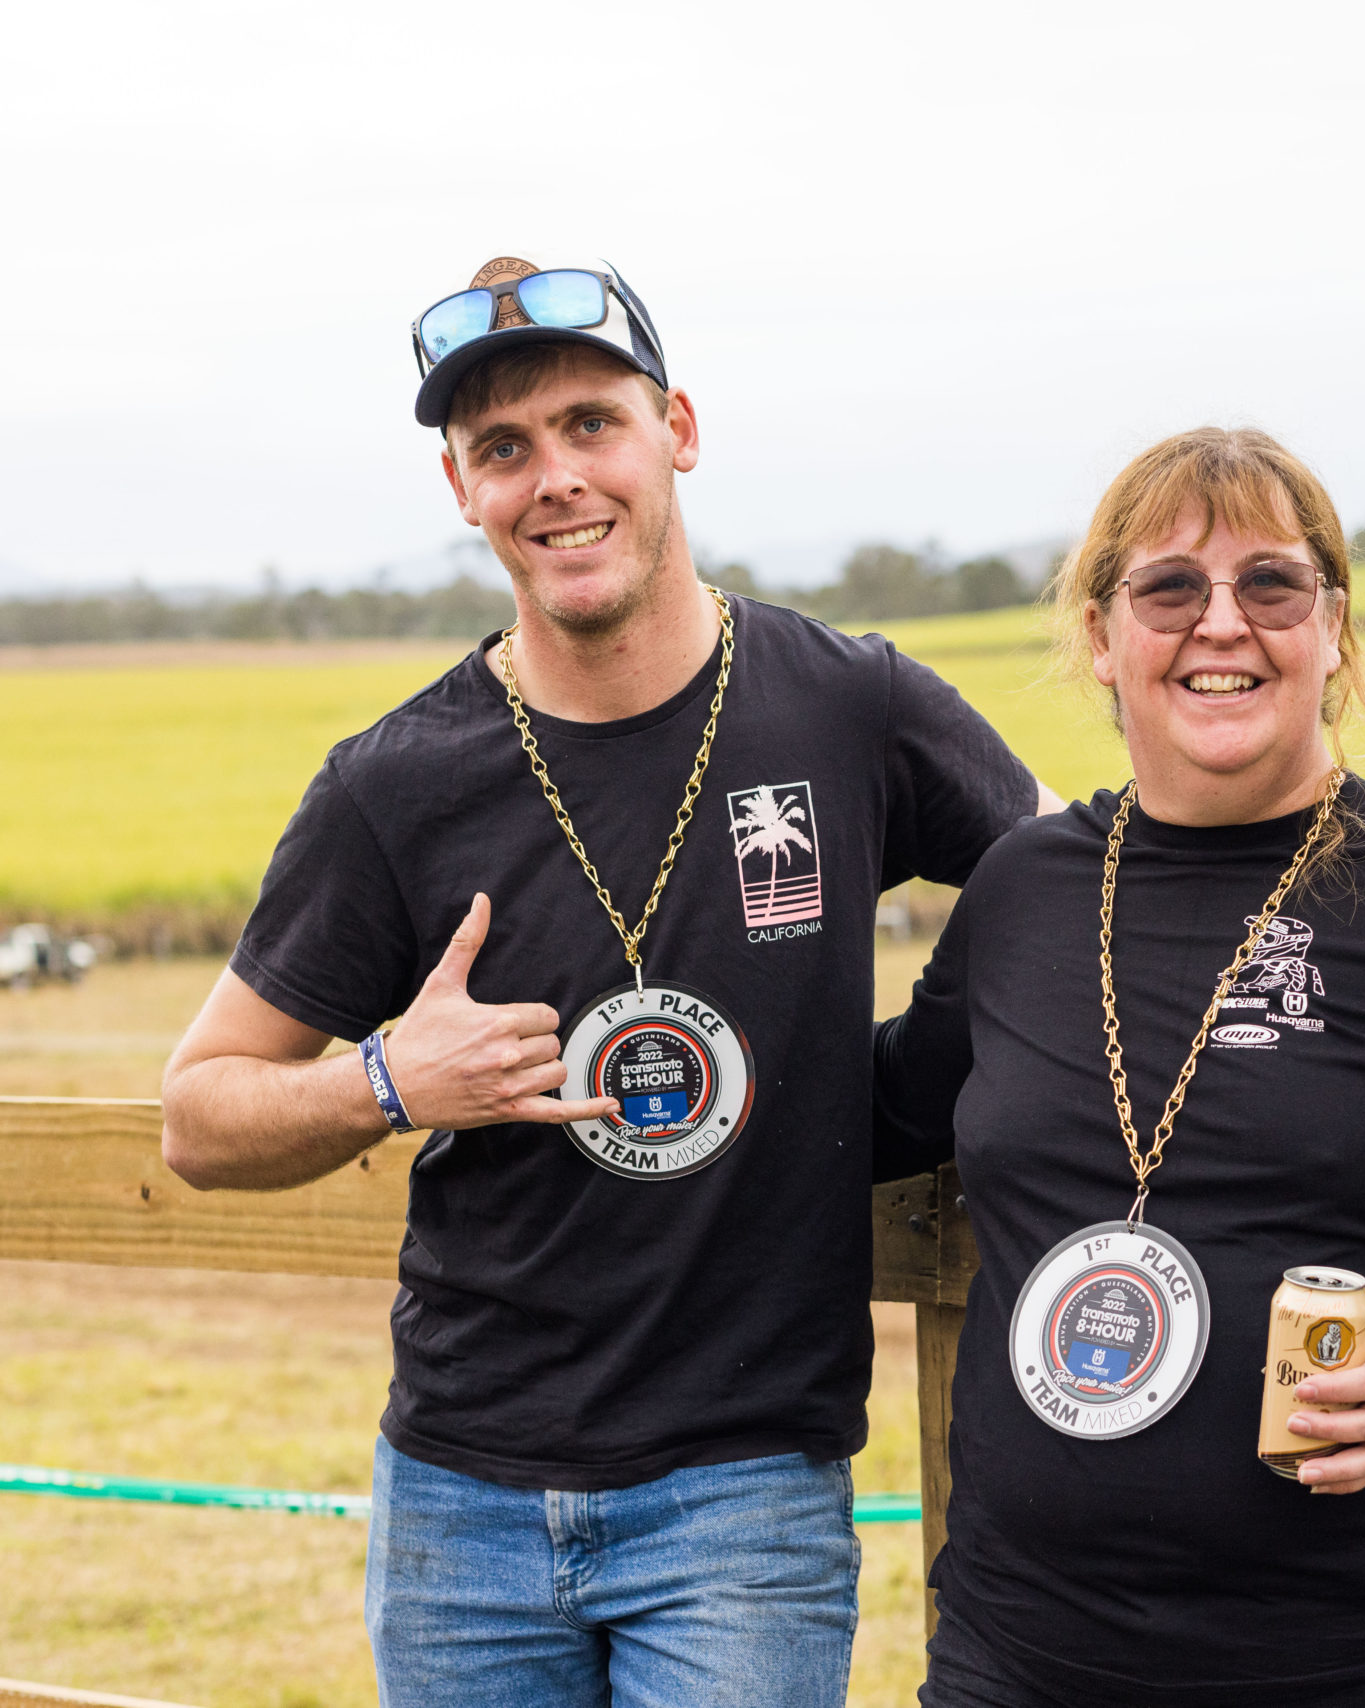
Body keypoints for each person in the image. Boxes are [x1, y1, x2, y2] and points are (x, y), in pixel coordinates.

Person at [160, 254, 1048, 1707]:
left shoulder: (847, 704)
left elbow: (1068, 880)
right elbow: (199, 1114)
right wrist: (388, 1081)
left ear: (676, 431)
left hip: (743, 1495)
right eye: (503, 447)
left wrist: (906, 1078)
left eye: (591, 423)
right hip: (458, 1503)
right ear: (462, 489)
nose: (555, 478)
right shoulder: (393, 785)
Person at [872, 427, 1365, 1708]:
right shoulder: (1023, 890)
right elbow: (866, 1115)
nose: (1222, 623)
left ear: (1333, 626)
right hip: (1026, 1652)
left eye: (1271, 583)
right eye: (1168, 588)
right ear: (1101, 636)